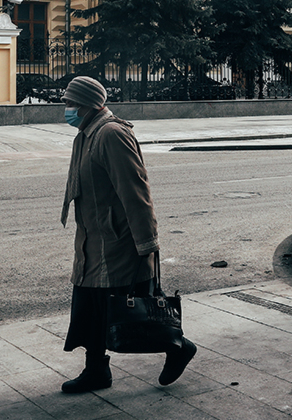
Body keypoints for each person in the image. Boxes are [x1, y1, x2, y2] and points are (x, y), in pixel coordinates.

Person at [59, 75, 196, 394]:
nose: (66, 109)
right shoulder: (86, 134)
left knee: (129, 312)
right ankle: (96, 372)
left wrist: (147, 243)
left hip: (117, 244)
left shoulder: (111, 134)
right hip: (93, 242)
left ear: (86, 104)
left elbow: (136, 192)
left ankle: (178, 347)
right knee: (93, 309)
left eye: (69, 103)